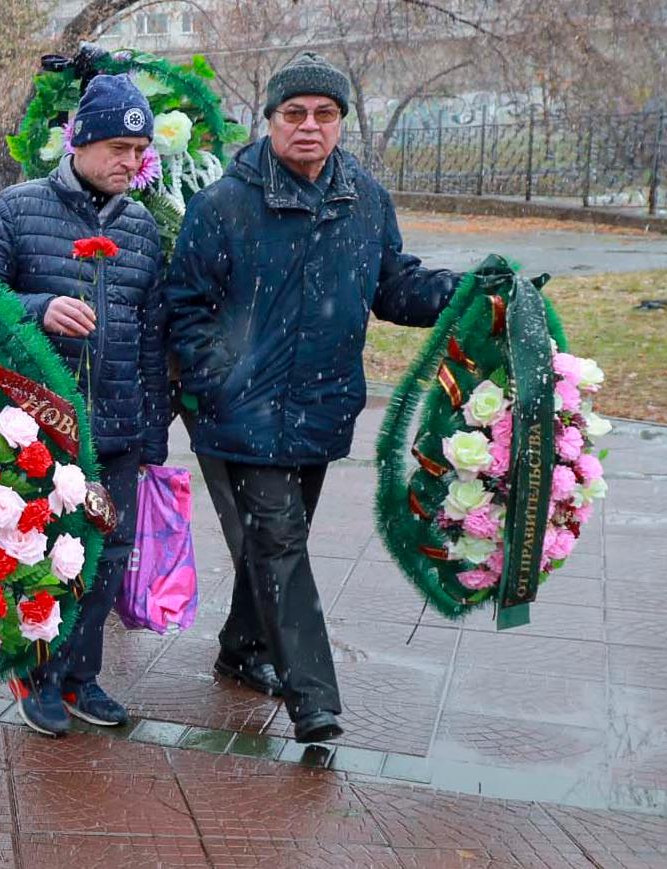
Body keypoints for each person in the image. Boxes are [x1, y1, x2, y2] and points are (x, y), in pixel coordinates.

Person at [163, 52, 458, 744]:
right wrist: (221, 382)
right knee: (280, 542)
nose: (308, 126)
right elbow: (185, 308)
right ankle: (312, 696)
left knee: (271, 545)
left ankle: (241, 648)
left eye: (323, 114)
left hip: (322, 406)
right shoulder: (222, 204)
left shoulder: (364, 198)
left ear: (340, 124)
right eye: (293, 113)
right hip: (243, 413)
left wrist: (465, 293)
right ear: (267, 122)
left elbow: (393, 287)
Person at [0, 73, 169, 737]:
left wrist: (150, 434)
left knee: (106, 556)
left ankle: (82, 675)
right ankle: (38, 672)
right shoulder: (16, 210)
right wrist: (37, 307)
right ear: (77, 141)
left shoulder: (141, 226)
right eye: (115, 145)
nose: (128, 161)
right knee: (45, 552)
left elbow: (149, 332)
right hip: (37, 428)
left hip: (114, 426)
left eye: (138, 149)